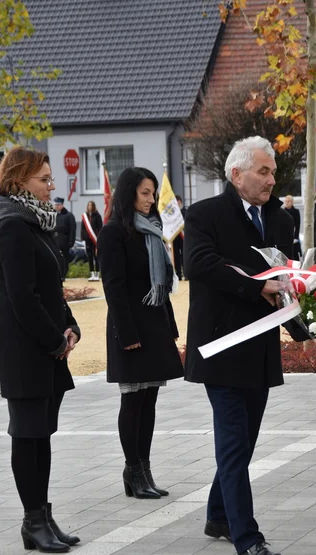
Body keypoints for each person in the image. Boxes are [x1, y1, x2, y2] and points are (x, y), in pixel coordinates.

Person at [184, 135, 294, 555]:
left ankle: (217, 515)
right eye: (263, 171)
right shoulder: (204, 214)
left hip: (262, 349)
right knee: (233, 445)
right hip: (222, 349)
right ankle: (248, 541)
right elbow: (200, 264)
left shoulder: (281, 219)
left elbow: (286, 269)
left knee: (244, 442)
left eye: (272, 172)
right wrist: (256, 286)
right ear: (237, 174)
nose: (271, 179)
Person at [0, 146, 81, 553]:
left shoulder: (34, 222)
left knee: (41, 434)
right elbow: (22, 298)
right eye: (43, 179)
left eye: (50, 179)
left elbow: (50, 288)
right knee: (27, 435)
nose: (50, 186)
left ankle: (43, 513)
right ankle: (32, 521)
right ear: (18, 179)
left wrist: (70, 325)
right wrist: (54, 339)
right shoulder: (11, 225)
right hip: (23, 347)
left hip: (43, 343)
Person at [98, 167, 183, 500]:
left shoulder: (152, 229)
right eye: (145, 193)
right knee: (132, 400)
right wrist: (126, 333)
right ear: (129, 193)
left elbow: (161, 283)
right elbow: (113, 288)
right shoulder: (113, 233)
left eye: (152, 193)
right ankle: (133, 470)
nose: (151, 200)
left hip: (155, 323)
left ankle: (144, 469)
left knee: (150, 401)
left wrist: (170, 326)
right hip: (130, 327)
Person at [52, 196, 76, 278]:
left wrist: (71, 242)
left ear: (62, 205)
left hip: (64, 242)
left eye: (58, 205)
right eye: (55, 205)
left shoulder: (69, 215)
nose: (56, 206)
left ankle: (63, 275)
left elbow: (72, 230)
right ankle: (57, 275)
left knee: (64, 259)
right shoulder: (52, 215)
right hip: (54, 241)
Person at [81, 201, 102, 281]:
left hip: (95, 239)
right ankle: (92, 273)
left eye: (91, 205)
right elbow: (82, 228)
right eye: (88, 205)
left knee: (96, 256)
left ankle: (97, 274)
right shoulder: (85, 216)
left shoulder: (97, 216)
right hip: (87, 239)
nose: (89, 206)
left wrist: (99, 238)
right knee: (89, 256)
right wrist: (83, 239)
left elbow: (100, 227)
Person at [283, 195, 301, 260]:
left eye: (288, 201)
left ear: (292, 202)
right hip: (284, 235)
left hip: (293, 235)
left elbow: (298, 225)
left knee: (295, 254)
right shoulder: (282, 212)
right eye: (286, 201)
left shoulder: (296, 211)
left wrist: (296, 237)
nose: (287, 203)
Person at [173, 195, 186, 280]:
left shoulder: (186, 212)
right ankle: (178, 274)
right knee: (176, 256)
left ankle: (186, 273)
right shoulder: (171, 213)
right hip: (174, 236)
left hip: (184, 236)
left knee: (184, 255)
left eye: (178, 203)